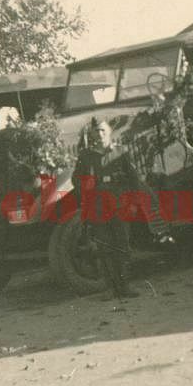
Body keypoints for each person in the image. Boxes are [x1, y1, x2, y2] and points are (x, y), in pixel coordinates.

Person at [71, 117, 171, 298]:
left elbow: (134, 180)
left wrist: (132, 204)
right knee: (104, 248)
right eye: (97, 131)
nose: (100, 134)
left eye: (103, 130)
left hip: (120, 205)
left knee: (122, 245)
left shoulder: (120, 153)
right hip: (98, 207)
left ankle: (125, 286)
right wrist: (86, 185)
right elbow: (75, 180)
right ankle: (110, 289)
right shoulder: (86, 157)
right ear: (93, 134)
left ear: (109, 132)